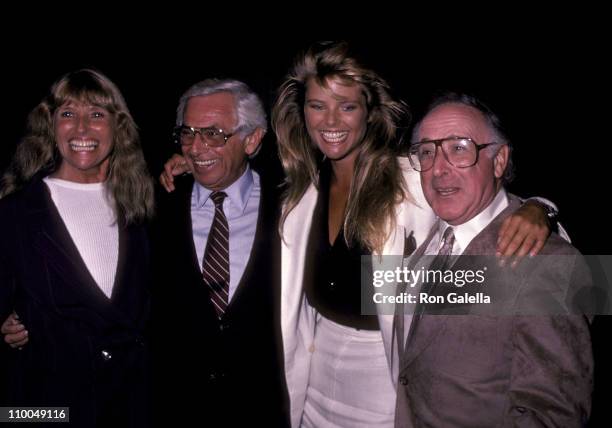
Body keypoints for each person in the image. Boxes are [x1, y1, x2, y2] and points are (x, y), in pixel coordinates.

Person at [272, 41, 556, 427]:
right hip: (312, 387)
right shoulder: (300, 195)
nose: (331, 121)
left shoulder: (408, 177)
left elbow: (487, 200)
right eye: (317, 106)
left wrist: (540, 209)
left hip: (383, 394)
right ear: (302, 112)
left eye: (348, 106)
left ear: (370, 113)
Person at [394, 93, 593, 427]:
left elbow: (552, 415)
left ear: (499, 161)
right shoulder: (427, 236)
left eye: (459, 148)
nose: (439, 168)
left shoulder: (547, 265)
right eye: (427, 152)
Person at [0, 69, 154, 427]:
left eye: (97, 115)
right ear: (50, 125)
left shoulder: (144, 208)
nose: (82, 128)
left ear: (119, 127)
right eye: (68, 114)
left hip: (131, 408)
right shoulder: (14, 213)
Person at [149, 78, 288, 427]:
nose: (195, 148)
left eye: (213, 134)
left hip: (264, 410)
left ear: (252, 139)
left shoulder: (292, 205)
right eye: (188, 133)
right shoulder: (153, 206)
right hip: (176, 408)